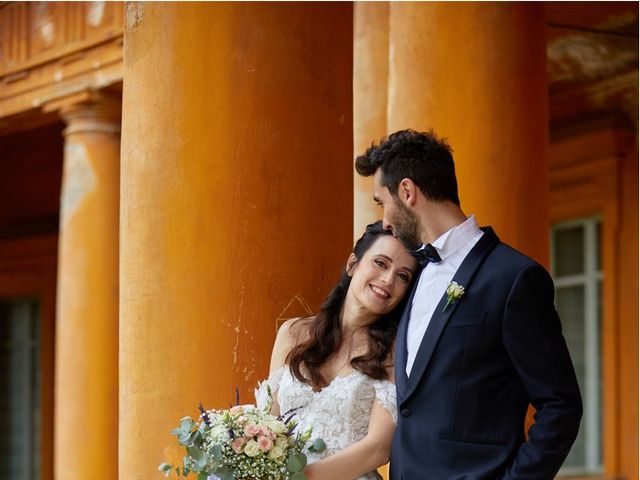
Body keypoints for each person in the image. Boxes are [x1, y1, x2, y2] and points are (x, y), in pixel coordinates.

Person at [355, 129, 583, 480]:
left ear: (407, 191)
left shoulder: (514, 278)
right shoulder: (412, 274)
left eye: (381, 202)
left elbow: (561, 406)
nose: (384, 220)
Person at [255, 221, 418, 480]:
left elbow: (378, 448)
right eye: (381, 263)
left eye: (403, 276)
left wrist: (300, 477)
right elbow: (267, 423)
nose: (388, 280)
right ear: (353, 264)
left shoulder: (395, 351)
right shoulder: (292, 333)